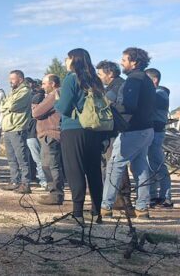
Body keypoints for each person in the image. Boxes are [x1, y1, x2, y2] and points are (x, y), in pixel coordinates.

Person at [102, 47, 156, 219]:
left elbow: (129, 105)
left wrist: (109, 105)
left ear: (134, 62)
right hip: (146, 129)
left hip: (133, 130)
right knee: (140, 167)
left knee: (114, 165)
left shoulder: (133, 79)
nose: (121, 62)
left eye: (124, 59)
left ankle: (105, 206)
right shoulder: (145, 79)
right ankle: (142, 208)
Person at [55, 48, 105, 222]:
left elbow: (64, 107)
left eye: (67, 58)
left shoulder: (71, 78)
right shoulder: (96, 80)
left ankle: (77, 213)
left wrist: (56, 100)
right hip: (94, 130)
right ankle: (97, 212)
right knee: (94, 171)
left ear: (73, 60)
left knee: (74, 170)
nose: (65, 61)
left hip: (73, 129)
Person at [96, 60, 132, 211]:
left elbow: (105, 105)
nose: (99, 77)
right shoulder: (114, 86)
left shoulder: (117, 86)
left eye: (100, 74)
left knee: (117, 166)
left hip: (116, 132)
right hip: (113, 132)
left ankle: (123, 200)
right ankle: (117, 198)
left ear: (110, 73)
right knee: (113, 165)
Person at [32, 74, 65, 205]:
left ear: (52, 84)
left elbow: (36, 113)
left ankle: (56, 194)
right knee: (50, 164)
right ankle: (54, 192)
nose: (42, 86)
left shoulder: (54, 95)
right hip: (52, 133)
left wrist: (35, 105)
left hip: (50, 134)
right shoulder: (57, 94)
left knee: (50, 165)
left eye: (44, 84)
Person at [0, 70, 33, 194]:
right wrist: (7, 105)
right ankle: (14, 181)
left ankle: (26, 183)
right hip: (8, 128)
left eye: (12, 79)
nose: (10, 81)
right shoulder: (13, 92)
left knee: (21, 157)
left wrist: (7, 105)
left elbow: (12, 106)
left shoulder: (25, 91)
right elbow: (2, 105)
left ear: (20, 79)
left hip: (17, 128)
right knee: (11, 158)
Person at [145, 68, 173, 208]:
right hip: (152, 132)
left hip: (156, 133)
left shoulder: (161, 94)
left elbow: (149, 101)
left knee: (158, 164)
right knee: (150, 165)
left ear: (154, 80)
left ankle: (165, 197)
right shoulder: (159, 93)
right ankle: (153, 196)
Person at [25, 78, 47, 189]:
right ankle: (42, 179)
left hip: (34, 133)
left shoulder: (37, 97)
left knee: (39, 159)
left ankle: (44, 180)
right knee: (38, 159)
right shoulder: (35, 97)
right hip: (32, 133)